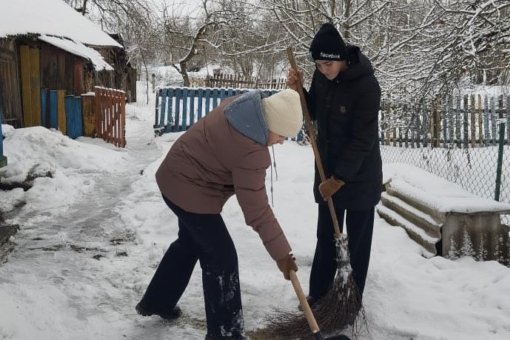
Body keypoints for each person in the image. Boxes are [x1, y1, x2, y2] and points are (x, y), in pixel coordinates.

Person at [135, 89, 302, 340]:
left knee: (190, 244)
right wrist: (281, 254)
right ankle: (226, 335)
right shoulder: (251, 152)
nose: (280, 142)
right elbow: (257, 210)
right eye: (281, 135)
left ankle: (158, 301)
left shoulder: (239, 106)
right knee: (221, 258)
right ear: (270, 123)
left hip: (174, 174)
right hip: (190, 190)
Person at [287, 23, 382, 309]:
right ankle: (319, 292)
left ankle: (351, 299)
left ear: (341, 58)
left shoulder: (366, 85)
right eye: (317, 64)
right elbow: (314, 111)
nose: (323, 69)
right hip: (327, 168)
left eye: (328, 63)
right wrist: (299, 90)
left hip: (359, 175)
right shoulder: (321, 76)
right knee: (326, 234)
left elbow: (362, 140)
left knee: (357, 242)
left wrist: (340, 178)